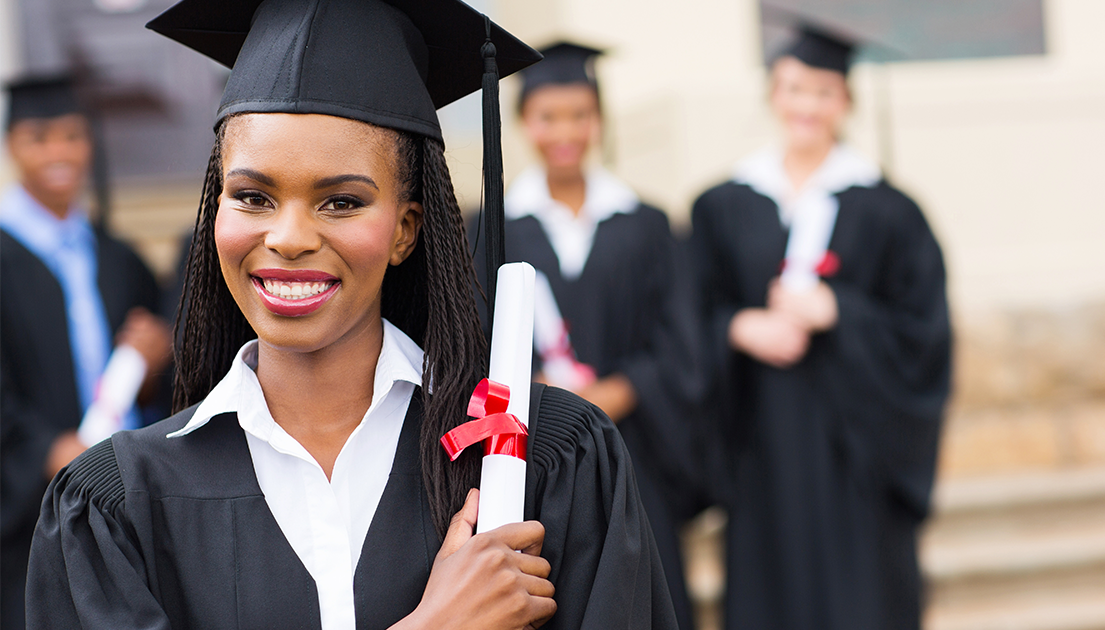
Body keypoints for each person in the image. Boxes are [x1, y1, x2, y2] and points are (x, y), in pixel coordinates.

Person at [25, 1, 677, 629]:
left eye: (340, 202)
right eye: (252, 196)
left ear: (405, 229)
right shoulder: (113, 506)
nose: (288, 236)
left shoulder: (551, 460)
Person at [688, 24, 952, 630]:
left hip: (855, 453)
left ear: (847, 102)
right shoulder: (723, 204)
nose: (807, 105)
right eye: (794, 88)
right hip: (763, 449)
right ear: (773, 94)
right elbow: (688, 313)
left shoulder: (890, 210)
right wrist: (738, 327)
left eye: (824, 92)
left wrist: (842, 313)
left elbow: (926, 333)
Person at [484, 41, 708, 630]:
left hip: (635, 453)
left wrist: (614, 394)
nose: (566, 131)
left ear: (600, 121)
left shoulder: (647, 224)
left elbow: (681, 344)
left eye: (580, 115)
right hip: (534, 458)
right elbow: (468, 340)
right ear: (524, 123)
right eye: (548, 116)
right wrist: (535, 393)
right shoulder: (493, 227)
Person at [0, 74, 171, 630]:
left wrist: (150, 363)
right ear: (12, 147)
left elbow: (159, 377)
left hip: (112, 491)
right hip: (26, 515)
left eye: (72, 136)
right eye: (40, 137)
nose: (59, 152)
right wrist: (51, 451)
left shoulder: (116, 255)